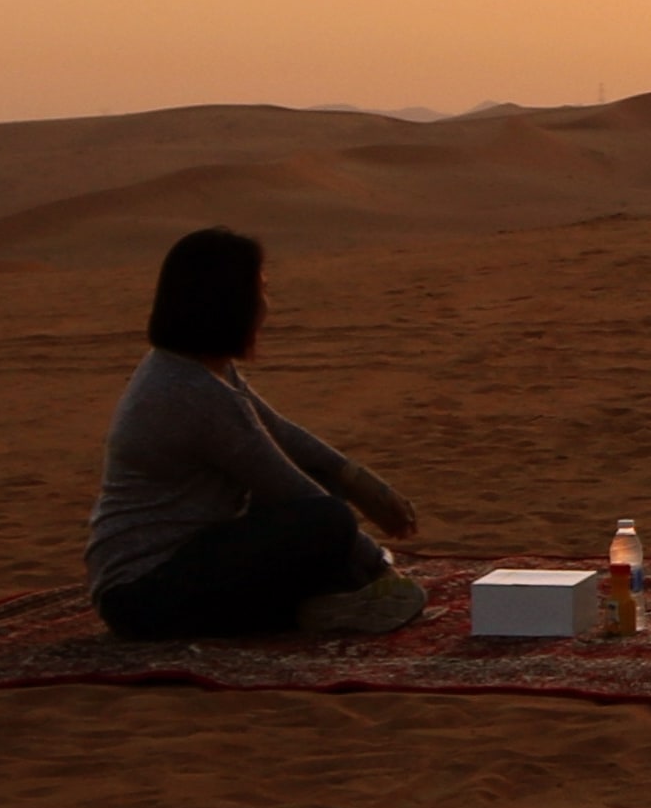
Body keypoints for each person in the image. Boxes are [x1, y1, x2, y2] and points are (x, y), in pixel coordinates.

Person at [87, 228, 428, 640]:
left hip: (178, 566)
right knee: (325, 518)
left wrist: (357, 479)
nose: (267, 305)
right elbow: (286, 486)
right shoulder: (192, 393)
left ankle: (321, 601)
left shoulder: (197, 368)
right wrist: (378, 564)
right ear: (230, 301)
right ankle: (320, 604)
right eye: (261, 290)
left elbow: (278, 431)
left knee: (324, 491)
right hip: (146, 593)